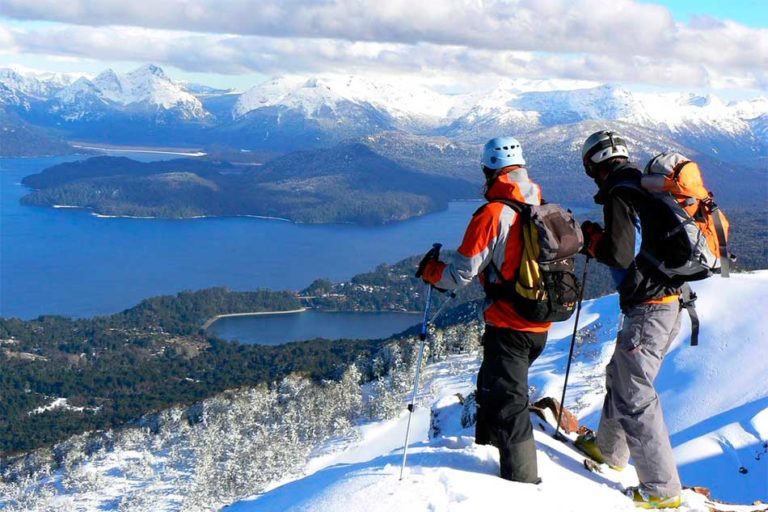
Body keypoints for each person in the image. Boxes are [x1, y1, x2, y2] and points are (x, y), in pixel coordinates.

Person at [418, 136, 550, 484]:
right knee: (492, 387)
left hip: (510, 324)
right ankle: (490, 458)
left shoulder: (493, 213)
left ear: (488, 170)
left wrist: (431, 272)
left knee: (509, 404)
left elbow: (460, 275)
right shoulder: (540, 204)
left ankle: (522, 482)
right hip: (540, 320)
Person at [576, 130, 684, 508]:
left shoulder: (620, 193)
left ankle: (662, 491)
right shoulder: (643, 187)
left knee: (636, 396)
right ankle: (609, 449)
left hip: (650, 309)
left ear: (594, 165)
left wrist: (592, 241)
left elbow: (620, 254)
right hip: (668, 302)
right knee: (619, 376)